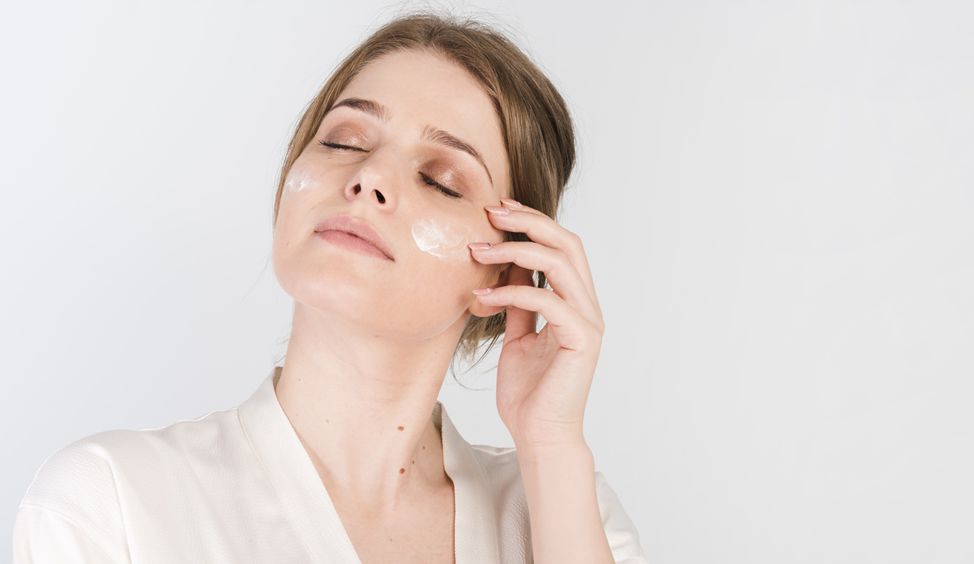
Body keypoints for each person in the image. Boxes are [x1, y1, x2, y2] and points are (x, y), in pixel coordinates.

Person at [13, 11, 648, 564]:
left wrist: (550, 441)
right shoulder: (112, 504)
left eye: (441, 181)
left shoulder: (562, 511)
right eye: (343, 141)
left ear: (506, 269)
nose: (370, 177)